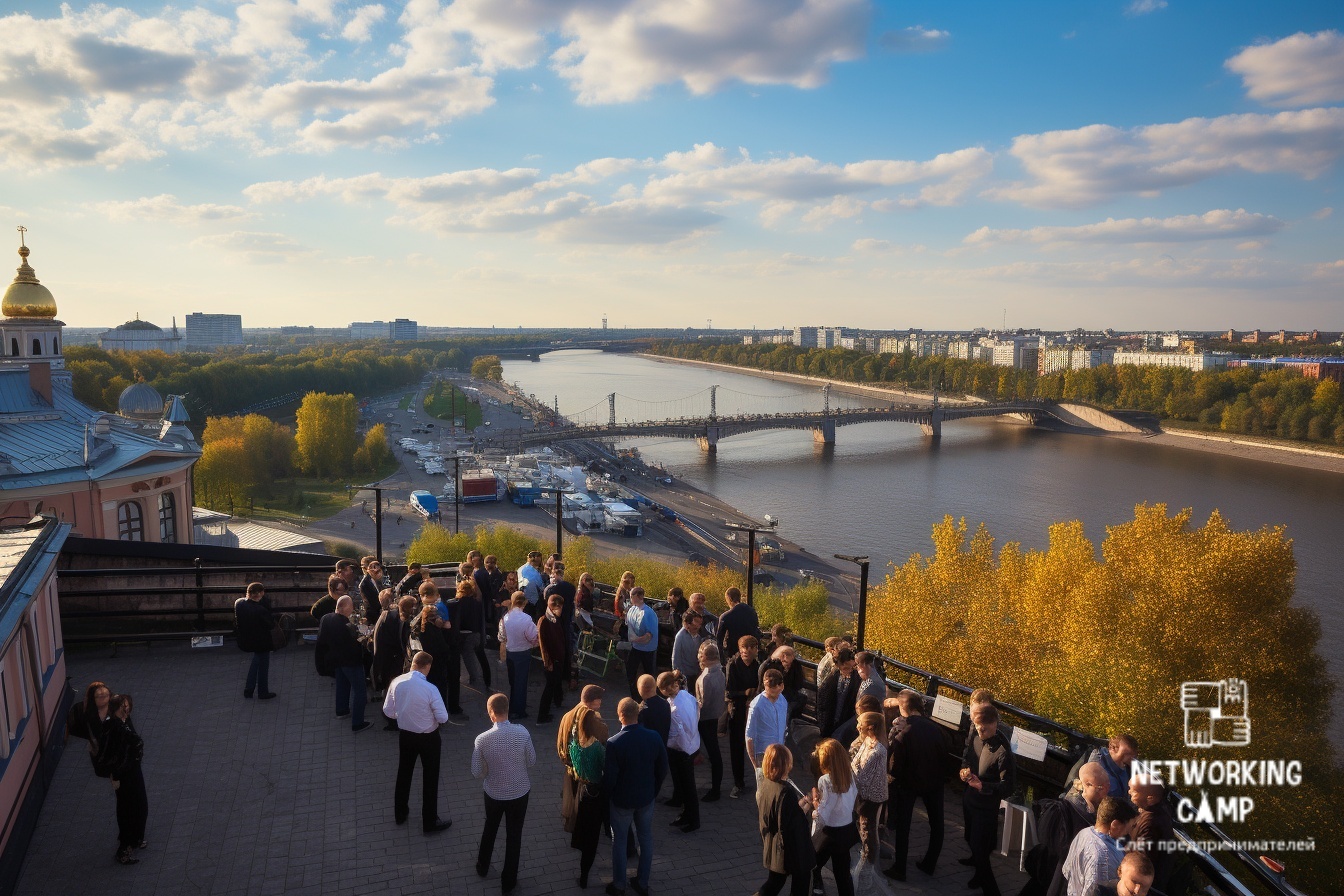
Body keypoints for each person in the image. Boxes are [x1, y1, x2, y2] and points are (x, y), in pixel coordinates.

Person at [473, 693, 537, 895]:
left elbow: (476, 771)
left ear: (490, 714)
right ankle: (508, 882)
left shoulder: (482, 739)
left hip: (493, 793)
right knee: (514, 835)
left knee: (490, 828)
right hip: (519, 792)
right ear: (507, 710)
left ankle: (483, 866)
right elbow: (532, 760)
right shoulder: (523, 732)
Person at [384, 651, 453, 833]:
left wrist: (404, 715)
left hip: (406, 736)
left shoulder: (396, 682)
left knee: (404, 773)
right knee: (430, 778)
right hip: (428, 738)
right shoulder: (430, 689)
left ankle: (400, 813)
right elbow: (443, 717)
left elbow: (388, 711)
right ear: (427, 666)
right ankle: (429, 822)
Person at [605, 697, 668, 896]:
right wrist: (653, 790)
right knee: (646, 838)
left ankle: (619, 885)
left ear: (619, 715)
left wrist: (608, 797)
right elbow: (662, 768)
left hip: (622, 801)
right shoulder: (654, 737)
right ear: (638, 714)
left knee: (620, 841)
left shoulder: (614, 743)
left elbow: (610, 778)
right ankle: (642, 882)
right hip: (646, 798)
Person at [884, 689, 944, 882]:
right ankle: (929, 863)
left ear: (903, 708)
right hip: (934, 783)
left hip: (908, 783)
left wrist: (892, 777)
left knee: (904, 825)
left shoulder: (905, 730)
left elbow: (896, 761)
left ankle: (900, 867)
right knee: (937, 823)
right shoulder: (936, 729)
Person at [961, 704, 1016, 896]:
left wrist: (983, 786)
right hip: (970, 800)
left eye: (983, 728)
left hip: (985, 808)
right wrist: (964, 770)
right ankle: (978, 872)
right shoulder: (976, 736)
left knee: (980, 848)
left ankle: (991, 890)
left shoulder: (1003, 751)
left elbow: (1008, 787)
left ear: (994, 724)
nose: (980, 732)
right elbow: (967, 759)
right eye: (977, 727)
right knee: (969, 838)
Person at [755, 742, 816, 896]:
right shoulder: (785, 791)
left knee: (774, 883)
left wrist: (798, 805)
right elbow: (793, 823)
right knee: (800, 884)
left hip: (773, 844)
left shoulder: (765, 784)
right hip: (791, 850)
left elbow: (782, 814)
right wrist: (807, 806)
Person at [101, 694, 148, 865]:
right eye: (122, 706)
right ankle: (124, 849)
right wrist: (114, 776)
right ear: (115, 709)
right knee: (128, 809)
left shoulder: (125, 721)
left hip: (133, 770)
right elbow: (110, 754)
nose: (126, 709)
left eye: (127, 705)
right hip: (123, 774)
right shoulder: (113, 726)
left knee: (140, 804)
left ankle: (136, 838)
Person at [1061, 796, 1138, 896]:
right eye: (1129, 827)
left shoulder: (1084, 833)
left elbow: (1068, 871)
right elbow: (1095, 891)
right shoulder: (1104, 857)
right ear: (1115, 824)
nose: (1128, 832)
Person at [811, 738, 858, 896]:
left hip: (829, 833)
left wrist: (815, 807)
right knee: (843, 873)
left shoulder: (825, 780)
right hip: (847, 830)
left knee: (812, 861)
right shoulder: (849, 775)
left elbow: (823, 814)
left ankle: (814, 883)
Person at [317, 595, 372, 732]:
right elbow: (358, 641)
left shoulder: (326, 618)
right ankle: (357, 723)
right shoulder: (346, 625)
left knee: (342, 685)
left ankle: (341, 711)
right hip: (351, 661)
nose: (352, 609)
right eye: (351, 607)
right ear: (346, 608)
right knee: (360, 691)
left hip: (335, 660)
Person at [568, 704, 609, 889]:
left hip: (582, 791)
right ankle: (585, 874)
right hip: (596, 793)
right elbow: (605, 769)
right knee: (593, 836)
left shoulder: (574, 745)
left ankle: (582, 871)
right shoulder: (597, 748)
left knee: (583, 830)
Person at [558, 685, 608, 834]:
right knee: (581, 804)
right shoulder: (591, 718)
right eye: (599, 700)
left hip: (570, 767)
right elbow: (602, 740)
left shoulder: (567, 715)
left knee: (571, 799)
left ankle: (572, 826)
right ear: (594, 700)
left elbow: (560, 743)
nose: (601, 703)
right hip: (586, 772)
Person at [414, 601, 467, 721]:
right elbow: (442, 647)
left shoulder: (423, 630)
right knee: (440, 688)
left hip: (430, 665)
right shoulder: (434, 630)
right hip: (438, 664)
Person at [850, 711, 888, 869]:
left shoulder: (878, 751)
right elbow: (856, 763)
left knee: (868, 830)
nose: (857, 726)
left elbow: (862, 777)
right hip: (864, 794)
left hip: (871, 797)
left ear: (870, 727)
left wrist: (850, 771)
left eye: (860, 723)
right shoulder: (867, 742)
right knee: (863, 826)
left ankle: (869, 863)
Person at [663, 671, 701, 832]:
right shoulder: (686, 696)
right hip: (692, 745)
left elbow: (677, 733)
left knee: (688, 787)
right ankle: (686, 814)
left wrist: (673, 745)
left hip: (682, 749)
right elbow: (697, 710)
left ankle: (693, 820)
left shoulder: (675, 708)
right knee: (686, 786)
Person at [726, 635, 761, 798]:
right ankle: (738, 783)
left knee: (758, 746)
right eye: (743, 648)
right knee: (737, 748)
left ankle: (762, 780)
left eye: (750, 648)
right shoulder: (733, 665)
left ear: (756, 650)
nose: (746, 651)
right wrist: (744, 693)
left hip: (753, 711)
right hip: (738, 710)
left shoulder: (759, 667)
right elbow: (728, 692)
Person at [1128, 775, 1175, 893]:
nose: (1129, 793)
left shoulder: (1150, 824)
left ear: (1150, 798)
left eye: (1134, 792)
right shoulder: (1160, 809)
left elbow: (1143, 863)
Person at [234, 582, 277, 700]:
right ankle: (262, 691)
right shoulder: (260, 610)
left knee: (256, 661)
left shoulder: (239, 604)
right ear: (261, 593)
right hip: (262, 642)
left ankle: (249, 689)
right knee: (262, 665)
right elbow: (270, 625)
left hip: (247, 639)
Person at [746, 669, 790, 783]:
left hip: (780, 753)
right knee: (765, 791)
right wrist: (755, 764)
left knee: (780, 788)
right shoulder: (757, 705)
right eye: (770, 690)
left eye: (776, 691)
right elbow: (749, 736)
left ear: (782, 686)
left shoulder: (783, 701)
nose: (774, 694)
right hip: (764, 755)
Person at [695, 642, 725, 802]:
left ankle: (715, 790)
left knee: (713, 754)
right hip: (715, 716)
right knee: (714, 753)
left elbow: (703, 702)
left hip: (705, 719)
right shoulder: (720, 672)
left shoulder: (706, 677)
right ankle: (716, 788)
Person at [501, 593, 539, 720]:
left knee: (513, 682)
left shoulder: (506, 617)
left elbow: (501, 636)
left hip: (510, 651)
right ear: (524, 603)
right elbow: (533, 637)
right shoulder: (526, 619)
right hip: (523, 652)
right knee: (521, 682)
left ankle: (512, 707)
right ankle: (519, 710)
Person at [67, 681, 113, 773]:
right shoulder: (83, 711)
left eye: (106, 695)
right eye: (99, 696)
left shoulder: (114, 708)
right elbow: (73, 726)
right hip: (99, 748)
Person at [544, 561, 578, 681]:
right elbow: (573, 602)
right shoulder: (570, 587)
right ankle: (566, 672)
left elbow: (546, 603)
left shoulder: (551, 589)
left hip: (555, 620)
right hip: (567, 619)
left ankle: (554, 669)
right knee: (566, 645)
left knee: (555, 645)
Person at [623, 587, 659, 698]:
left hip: (647, 648)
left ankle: (651, 695)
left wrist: (635, 639)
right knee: (630, 669)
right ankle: (634, 694)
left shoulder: (648, 613)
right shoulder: (633, 609)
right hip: (636, 646)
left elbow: (649, 636)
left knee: (648, 672)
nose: (630, 599)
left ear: (639, 597)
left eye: (632, 597)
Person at [537, 594, 568, 723]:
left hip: (557, 659)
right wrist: (547, 661)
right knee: (549, 688)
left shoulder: (554, 619)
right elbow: (543, 644)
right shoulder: (544, 621)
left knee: (554, 684)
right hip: (552, 661)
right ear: (556, 607)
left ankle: (556, 701)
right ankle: (542, 716)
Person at [816, 647, 858, 740]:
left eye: (852, 667)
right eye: (846, 668)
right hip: (830, 717)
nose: (849, 671)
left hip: (845, 718)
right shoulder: (832, 677)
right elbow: (822, 699)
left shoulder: (856, 679)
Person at [457, 578, 492, 691]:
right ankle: (487, 680)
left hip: (463, 635)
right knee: (481, 657)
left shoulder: (457, 603)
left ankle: (475, 680)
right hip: (476, 634)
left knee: (467, 658)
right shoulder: (477, 603)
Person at [372, 590, 405, 708]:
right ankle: (391, 718)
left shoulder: (384, 615)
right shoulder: (392, 617)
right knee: (391, 688)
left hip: (383, 659)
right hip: (389, 659)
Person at [758, 645, 804, 724]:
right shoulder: (768, 666)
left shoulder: (795, 665)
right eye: (787, 663)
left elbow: (798, 684)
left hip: (788, 695)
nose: (789, 665)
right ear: (783, 656)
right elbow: (763, 686)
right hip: (771, 695)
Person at [1087, 735, 1138, 800]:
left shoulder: (1129, 769)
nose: (1132, 758)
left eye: (1134, 754)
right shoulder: (1097, 765)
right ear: (1112, 748)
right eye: (1127, 754)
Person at [717, 587, 760, 662]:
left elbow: (719, 639)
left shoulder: (726, 616)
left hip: (734, 653)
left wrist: (722, 659)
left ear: (729, 598)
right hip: (751, 651)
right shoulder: (752, 612)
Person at [672, 610, 708, 686]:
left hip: (698, 672)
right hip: (685, 674)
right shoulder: (680, 636)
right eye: (695, 625)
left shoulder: (701, 634)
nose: (698, 626)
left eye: (700, 624)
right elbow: (676, 657)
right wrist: (678, 674)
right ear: (687, 625)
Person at [636, 674, 670, 746]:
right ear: (655, 687)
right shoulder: (666, 704)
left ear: (640, 689)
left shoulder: (641, 711)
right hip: (662, 747)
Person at [517, 551, 546, 618]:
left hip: (524, 597)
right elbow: (540, 584)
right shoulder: (529, 569)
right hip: (531, 599)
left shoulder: (521, 568)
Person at [358, 559, 386, 624]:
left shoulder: (377, 581)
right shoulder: (365, 584)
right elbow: (371, 602)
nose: (379, 573)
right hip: (373, 616)